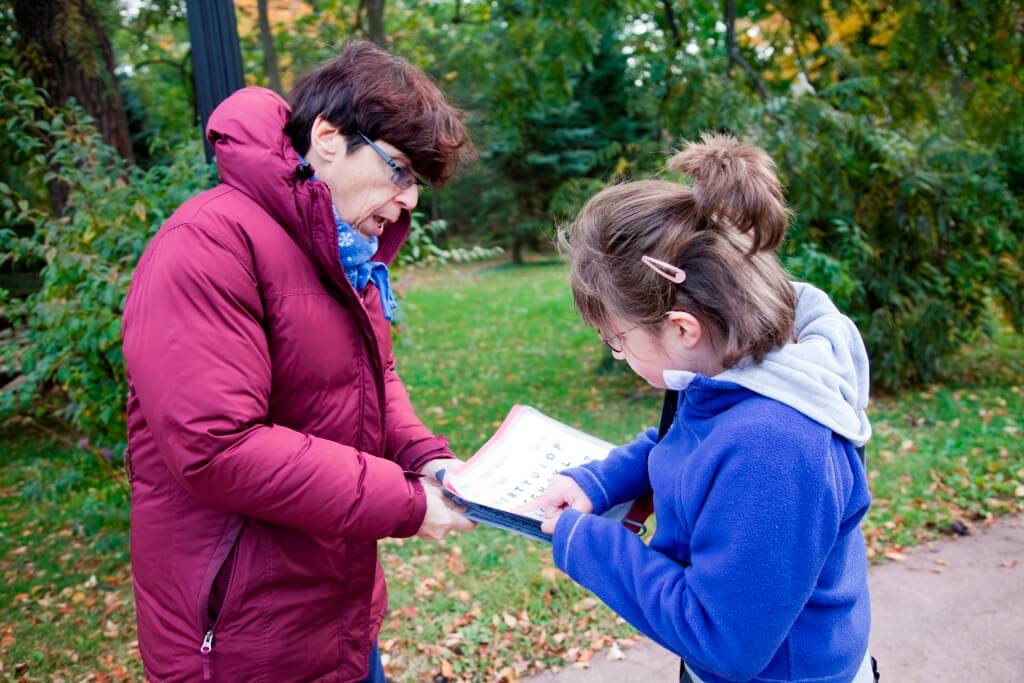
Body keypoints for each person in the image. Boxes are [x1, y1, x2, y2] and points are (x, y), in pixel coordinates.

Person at [121, 41, 475, 682]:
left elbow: (371, 382)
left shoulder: (345, 250)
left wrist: (429, 459)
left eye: (418, 183)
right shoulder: (208, 243)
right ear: (330, 137)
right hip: (239, 642)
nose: (410, 202)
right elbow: (218, 447)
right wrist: (408, 503)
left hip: (335, 619)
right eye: (400, 171)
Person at [526, 134, 877, 682]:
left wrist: (584, 541)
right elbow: (685, 442)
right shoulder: (732, 373)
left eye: (615, 339)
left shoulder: (775, 449)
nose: (616, 353)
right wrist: (599, 483)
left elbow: (722, 639)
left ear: (682, 329)